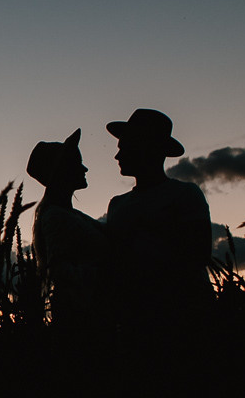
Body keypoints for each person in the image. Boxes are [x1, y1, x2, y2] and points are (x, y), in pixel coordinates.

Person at [105, 108, 212, 326]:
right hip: (135, 316)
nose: (117, 156)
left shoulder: (184, 194)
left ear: (146, 148)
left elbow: (198, 254)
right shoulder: (117, 204)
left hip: (182, 315)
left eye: (124, 148)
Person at [27, 128, 106, 328]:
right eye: (77, 164)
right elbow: (63, 273)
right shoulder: (55, 217)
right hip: (83, 322)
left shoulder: (70, 216)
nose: (84, 169)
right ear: (64, 172)